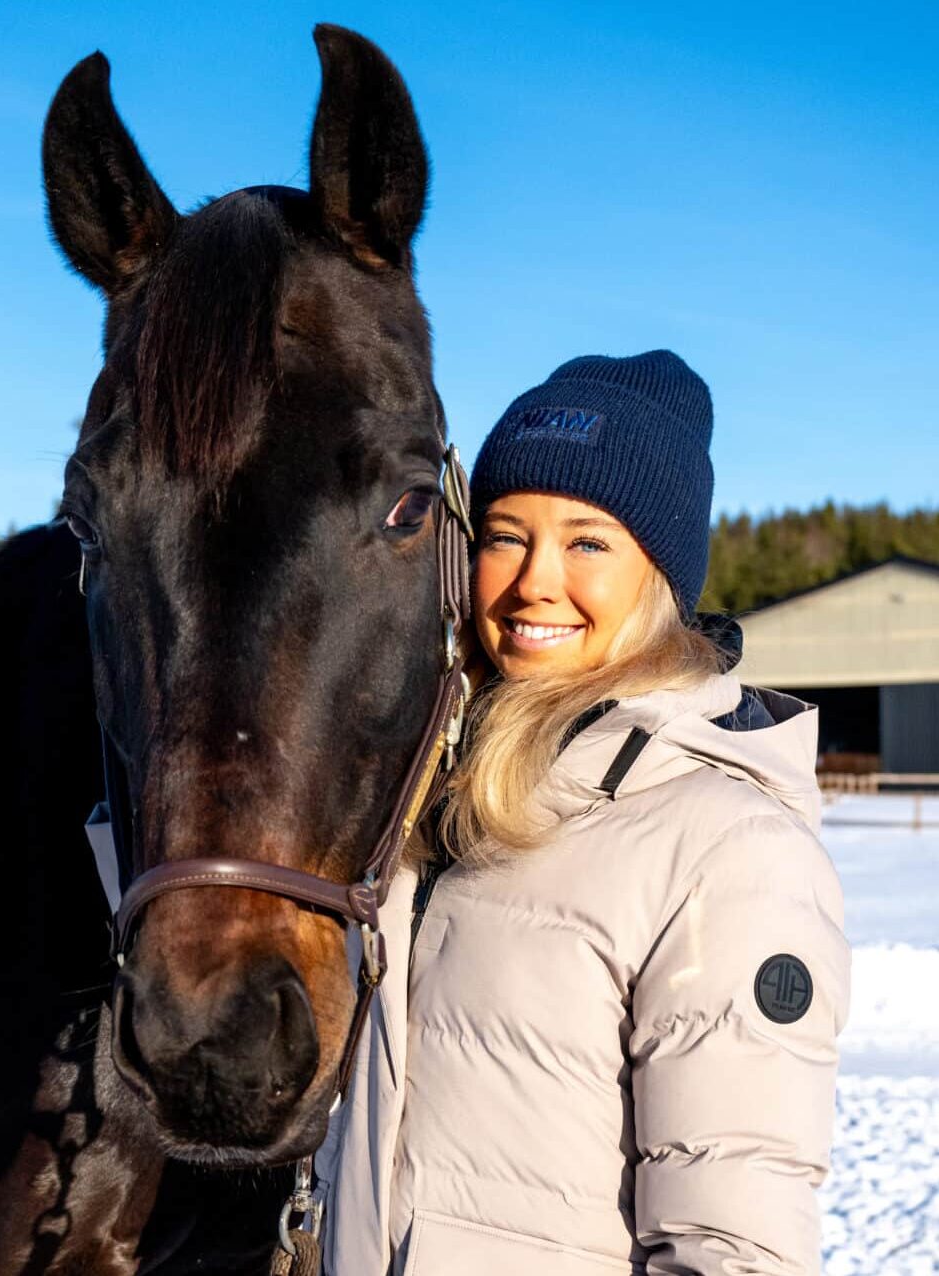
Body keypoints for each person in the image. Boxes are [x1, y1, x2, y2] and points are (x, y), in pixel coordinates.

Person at [316, 350, 849, 1274]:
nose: (532, 582)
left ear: (659, 576)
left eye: (587, 542)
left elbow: (731, 1244)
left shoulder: (726, 850)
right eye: (504, 535)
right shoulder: (422, 802)